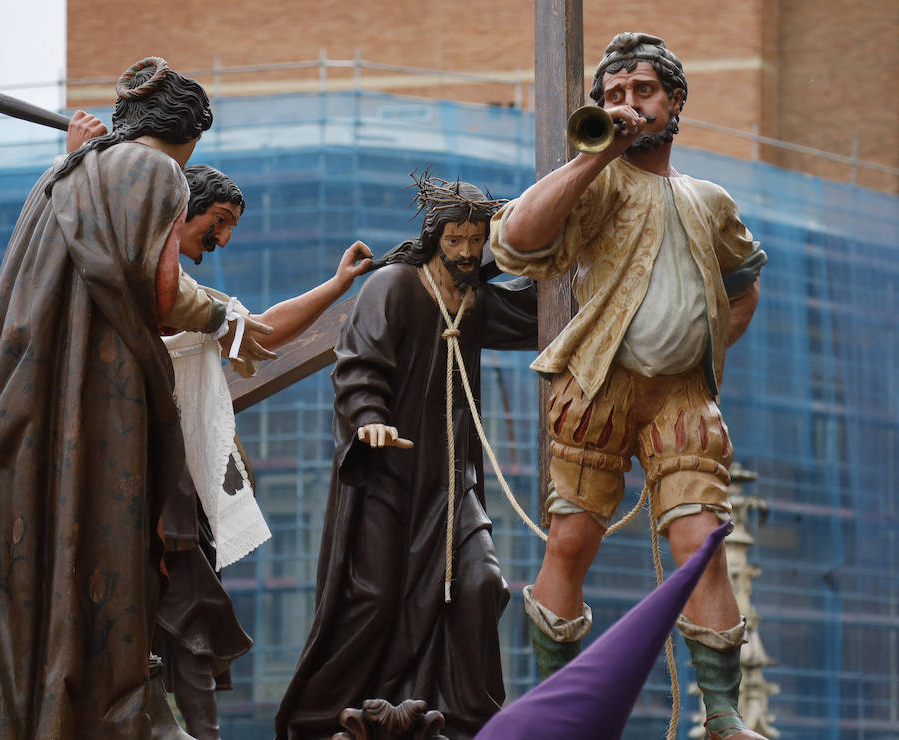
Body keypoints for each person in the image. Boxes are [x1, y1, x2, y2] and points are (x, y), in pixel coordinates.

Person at [489, 33, 768, 740]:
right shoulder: (597, 180)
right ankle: (554, 707)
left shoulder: (710, 201)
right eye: (612, 96)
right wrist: (594, 156)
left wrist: (703, 347)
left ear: (674, 101)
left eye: (641, 92)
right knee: (571, 542)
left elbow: (743, 283)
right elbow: (516, 241)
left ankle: (723, 714)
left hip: (682, 398)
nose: (627, 106)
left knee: (700, 544)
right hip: (599, 386)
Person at [274, 175, 537, 740]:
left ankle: (469, 722)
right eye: (457, 239)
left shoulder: (474, 300)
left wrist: (560, 244)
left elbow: (541, 313)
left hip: (451, 484)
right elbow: (358, 361)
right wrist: (369, 419)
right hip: (388, 475)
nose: (468, 252)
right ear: (434, 236)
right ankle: (323, 717)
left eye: (477, 240)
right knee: (373, 598)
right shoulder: (394, 285)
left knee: (481, 584)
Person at [0, 57, 212, 740]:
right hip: (102, 396)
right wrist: (221, 315)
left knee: (39, 545)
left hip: (32, 391)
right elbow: (162, 294)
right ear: (186, 133)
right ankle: (112, 709)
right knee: (107, 542)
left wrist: (85, 152)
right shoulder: (157, 173)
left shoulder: (58, 178)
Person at [154, 163, 373, 740]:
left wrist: (336, 285)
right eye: (218, 222)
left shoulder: (191, 298)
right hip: (128, 476)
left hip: (175, 487)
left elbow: (261, 331)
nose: (222, 241)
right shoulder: (126, 275)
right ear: (179, 210)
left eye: (230, 228)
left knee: (192, 611)